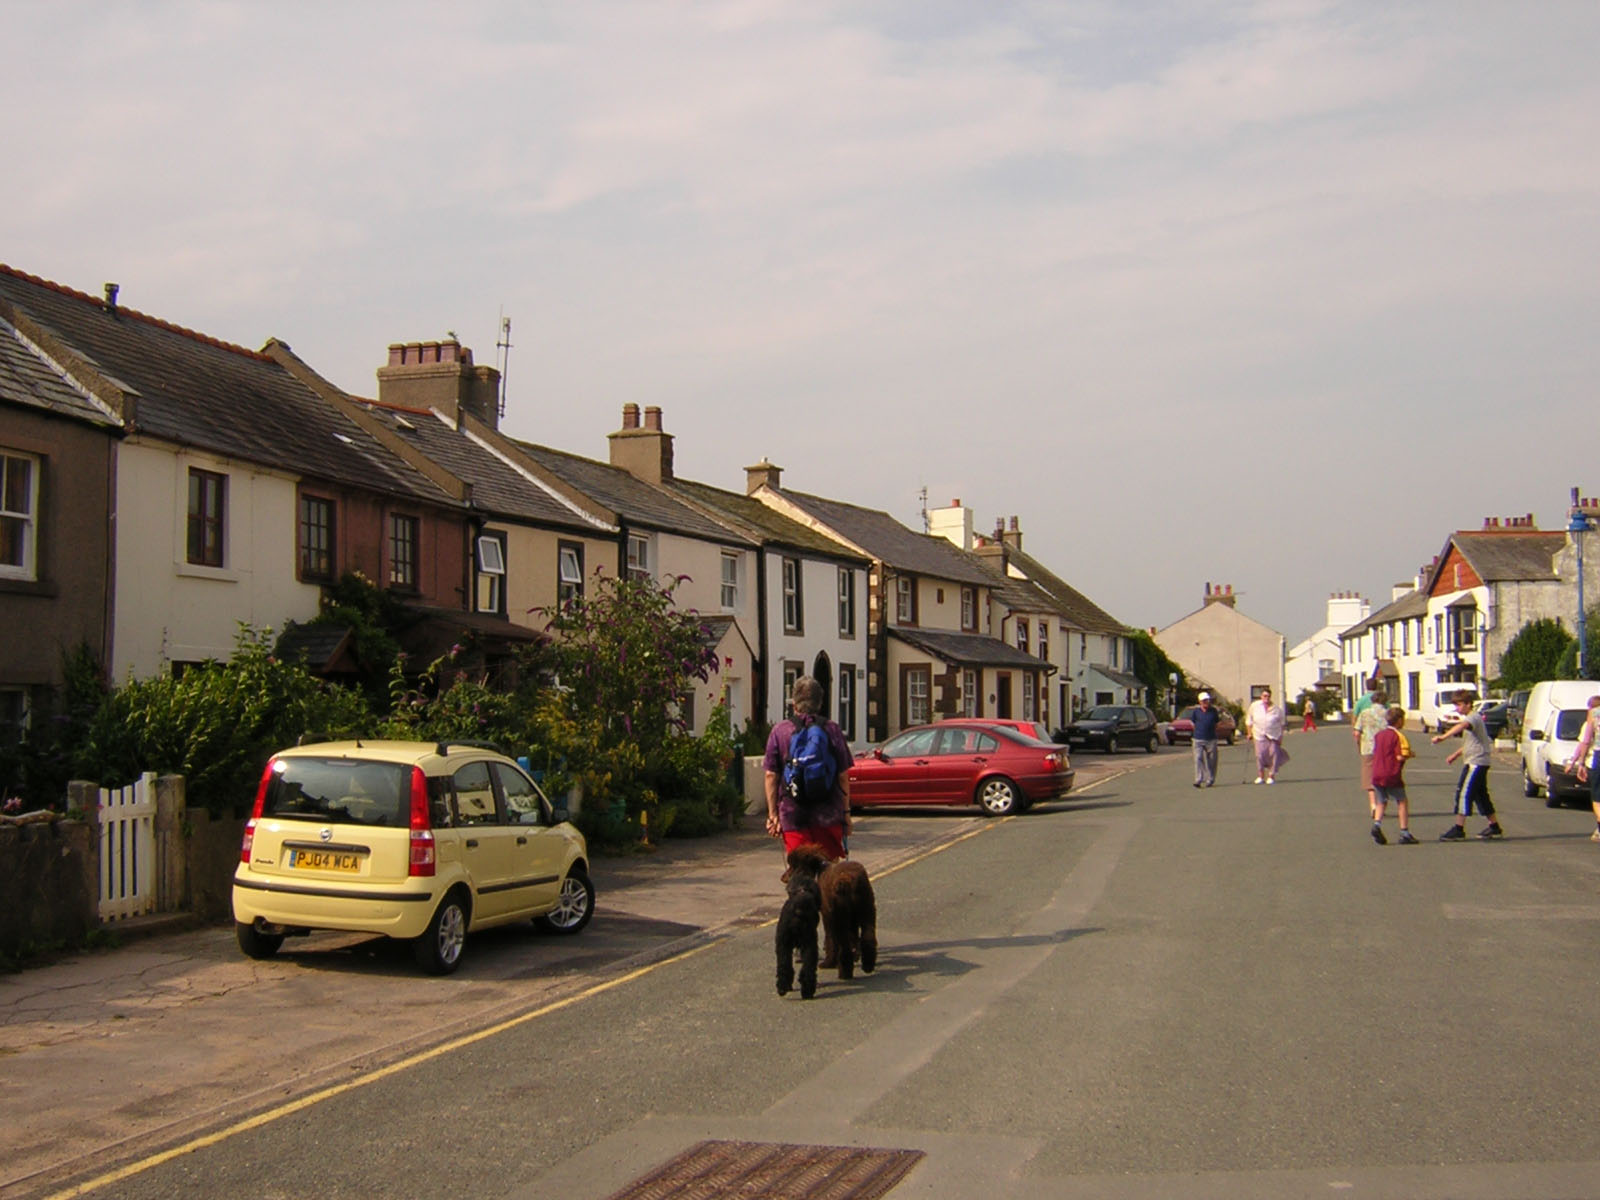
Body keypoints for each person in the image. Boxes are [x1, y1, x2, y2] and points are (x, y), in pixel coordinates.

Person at [763, 675, 853, 861]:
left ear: (794, 703)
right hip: (828, 816)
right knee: (828, 876)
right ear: (820, 704)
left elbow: (771, 775)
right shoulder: (832, 730)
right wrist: (846, 815)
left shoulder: (780, 732)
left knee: (801, 876)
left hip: (793, 816)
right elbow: (843, 776)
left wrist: (773, 815)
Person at [1432, 688, 1502, 840]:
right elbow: (1471, 743)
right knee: (1480, 795)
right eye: (1455, 705)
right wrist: (1455, 755)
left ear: (1468, 704)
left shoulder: (1472, 718)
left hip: (1476, 763)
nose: (1457, 708)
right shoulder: (1473, 718)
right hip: (1477, 760)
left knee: (1464, 792)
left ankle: (1459, 829)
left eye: (1459, 705)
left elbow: (1461, 726)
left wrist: (1443, 737)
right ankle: (1494, 826)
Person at [1370, 705, 1418, 844]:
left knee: (1381, 801)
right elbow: (1400, 756)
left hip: (1377, 772)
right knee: (1402, 801)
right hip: (1391, 773)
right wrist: (1410, 755)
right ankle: (1404, 832)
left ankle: (1377, 824)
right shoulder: (1398, 736)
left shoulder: (1379, 735)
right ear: (1398, 721)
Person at [1563, 693, 1600, 842]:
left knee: (1597, 796)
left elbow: (1584, 741)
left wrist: (1579, 763)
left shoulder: (1593, 715)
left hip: (1598, 756)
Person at [1353, 687, 1389, 819]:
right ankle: (1382, 805)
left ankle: (1373, 805)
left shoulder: (1365, 713)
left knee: (1369, 778)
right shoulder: (1388, 713)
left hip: (1367, 747)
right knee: (1384, 777)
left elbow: (1357, 732)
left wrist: (1358, 745)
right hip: (1385, 749)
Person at [1245, 687, 1288, 783]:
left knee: (1273, 754)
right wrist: (1249, 733)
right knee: (1259, 755)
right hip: (1258, 734)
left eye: (1268, 696)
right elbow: (1249, 721)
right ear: (1261, 696)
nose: (1266, 698)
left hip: (1273, 735)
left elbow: (1282, 723)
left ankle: (1271, 775)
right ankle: (1260, 775)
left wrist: (1281, 736)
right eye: (1264, 696)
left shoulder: (1276, 709)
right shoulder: (1254, 706)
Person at [1191, 691, 1222, 788]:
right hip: (1198, 739)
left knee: (1212, 760)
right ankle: (1199, 779)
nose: (1206, 702)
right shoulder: (1196, 712)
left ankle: (1210, 779)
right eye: (1204, 700)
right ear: (1200, 701)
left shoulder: (1213, 711)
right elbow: (1193, 723)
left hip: (1211, 739)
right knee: (1198, 758)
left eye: (1207, 700)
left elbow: (1217, 723)